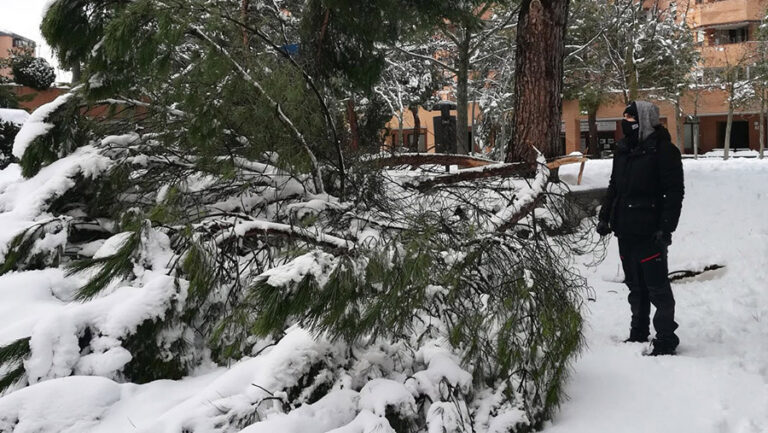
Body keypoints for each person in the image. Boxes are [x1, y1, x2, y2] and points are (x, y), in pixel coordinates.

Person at [596, 101, 684, 356]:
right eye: (624, 117)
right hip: (625, 229)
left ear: (645, 120)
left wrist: (666, 228)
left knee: (657, 287)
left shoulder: (664, 150)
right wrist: (605, 216)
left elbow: (674, 192)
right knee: (635, 286)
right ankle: (638, 333)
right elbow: (614, 186)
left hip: (650, 230)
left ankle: (666, 337)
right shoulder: (622, 150)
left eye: (631, 118)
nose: (626, 123)